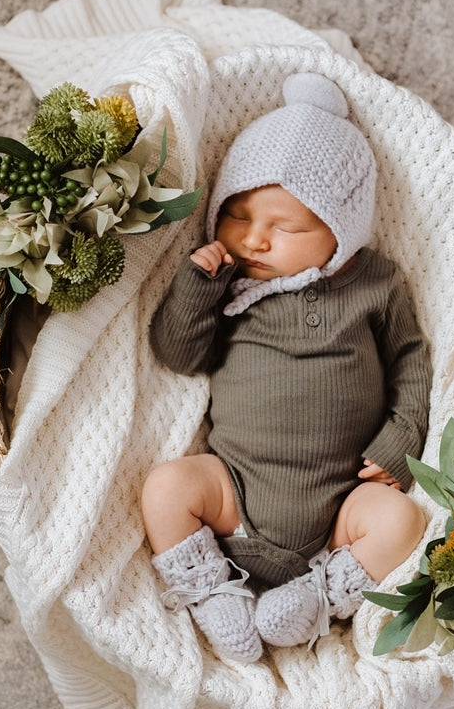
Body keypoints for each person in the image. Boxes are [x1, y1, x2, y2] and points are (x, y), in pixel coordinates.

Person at [143, 73, 432, 662]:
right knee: (168, 486)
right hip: (233, 496)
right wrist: (197, 290)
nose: (254, 241)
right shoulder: (228, 284)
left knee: (400, 519)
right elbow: (178, 353)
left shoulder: (374, 283)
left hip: (338, 516)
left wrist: (402, 438)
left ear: (339, 232)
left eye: (286, 227)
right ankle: (210, 591)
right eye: (238, 216)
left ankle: (321, 597)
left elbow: (410, 360)